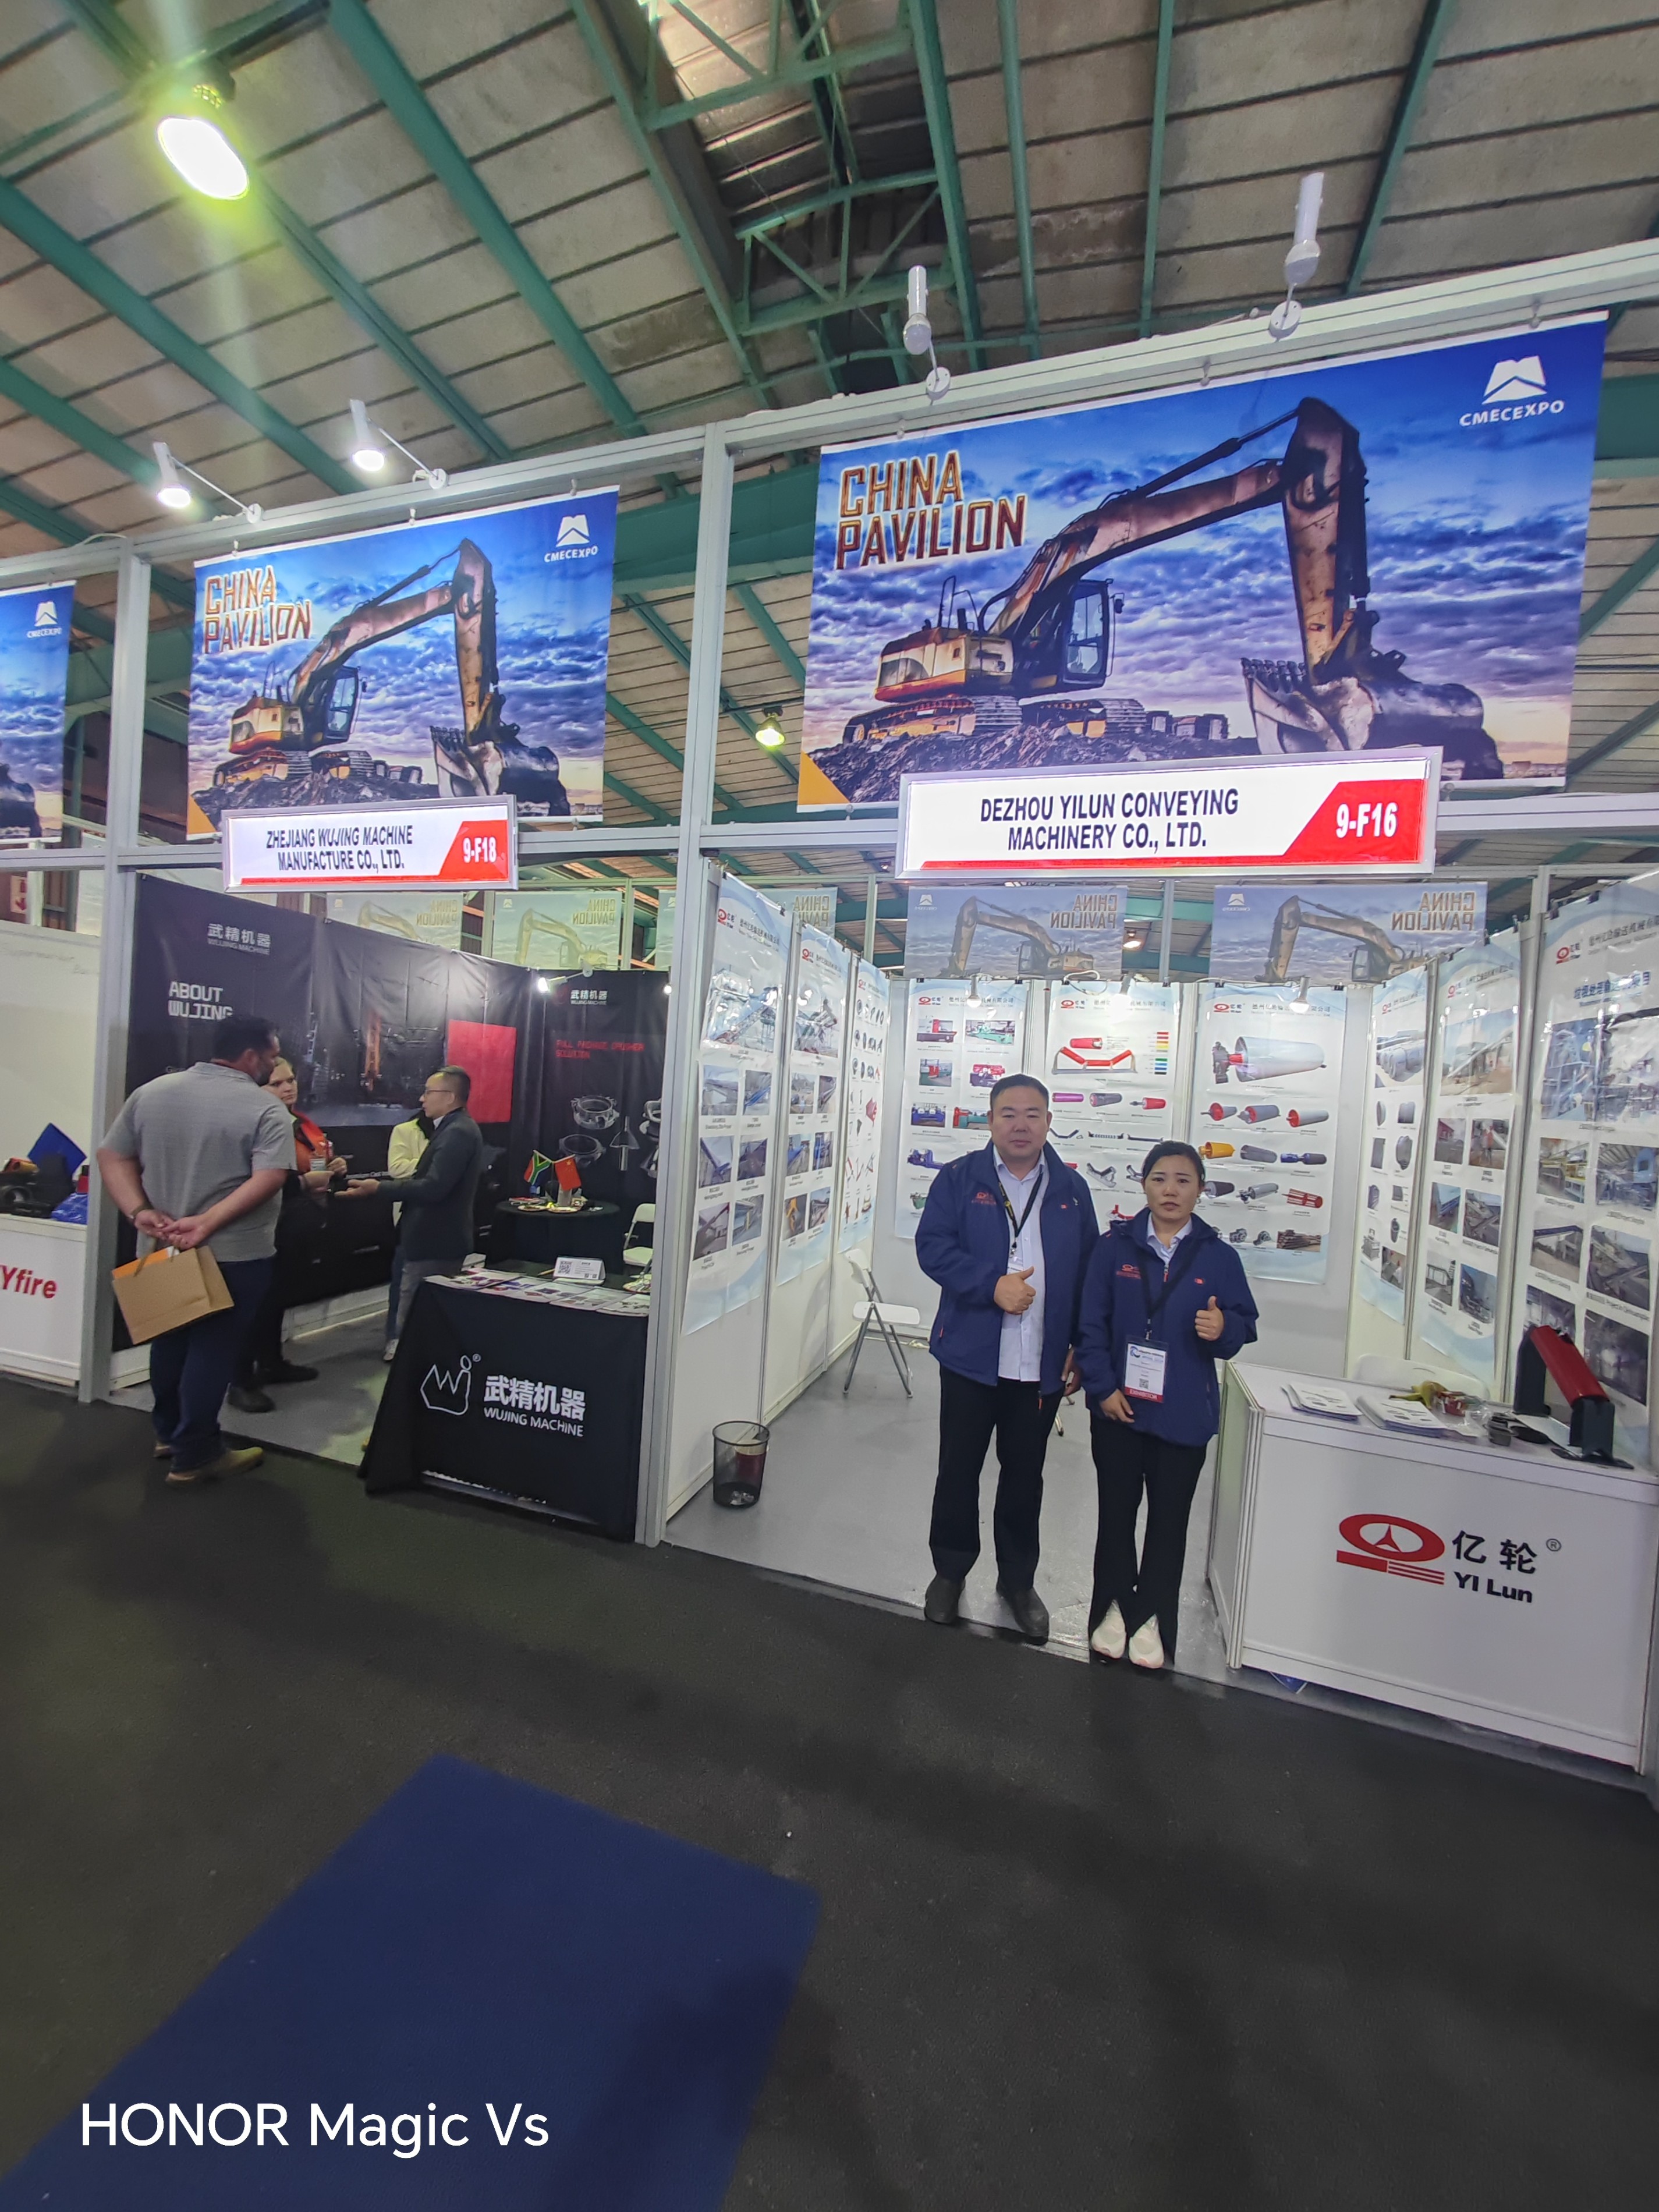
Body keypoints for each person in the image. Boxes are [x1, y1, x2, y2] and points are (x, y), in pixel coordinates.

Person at [914, 1073, 1098, 1644]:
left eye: (1032, 1114)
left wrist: (1081, 1344)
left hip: (1039, 1365)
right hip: (971, 1357)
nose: (1021, 1125)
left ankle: (1018, 1582)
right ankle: (950, 1571)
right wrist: (990, 1284)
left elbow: (1089, 1272)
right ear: (990, 1120)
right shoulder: (959, 1178)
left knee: (1024, 1478)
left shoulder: (1071, 1190)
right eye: (1009, 1113)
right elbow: (933, 1247)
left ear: (1049, 1122)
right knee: (958, 1470)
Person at [1077, 1140, 1259, 1672]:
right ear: (1144, 1185)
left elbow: (1243, 1325)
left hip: (1182, 1415)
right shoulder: (1113, 1249)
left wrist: (1224, 1328)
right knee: (1116, 1516)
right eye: (1160, 1179)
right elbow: (1090, 1325)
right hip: (1119, 1410)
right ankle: (1112, 1609)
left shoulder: (1220, 1258)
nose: (1171, 1190)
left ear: (1201, 1189)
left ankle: (1154, 1617)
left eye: (1183, 1180)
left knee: (1169, 1523)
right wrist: (1102, 1388)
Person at [95, 1013, 295, 1485]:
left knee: (169, 1343)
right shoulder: (266, 1110)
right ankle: (197, 1452)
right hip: (234, 1254)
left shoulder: (152, 1093)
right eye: (271, 1057)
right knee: (213, 1350)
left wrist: (138, 1211)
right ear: (251, 1056)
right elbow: (270, 1178)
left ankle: (170, 1434)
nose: (274, 1066)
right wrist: (208, 1223)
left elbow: (112, 1155)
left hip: (162, 1247)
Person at [229, 1057, 348, 1414]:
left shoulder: (301, 1124)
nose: (288, 1088)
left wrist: (336, 1168)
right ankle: (240, 1380)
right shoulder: (250, 1124)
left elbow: (316, 1161)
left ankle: (271, 1362)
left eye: (291, 1080)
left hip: (297, 1226)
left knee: (276, 1299)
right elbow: (252, 1182)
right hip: (262, 1228)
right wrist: (303, 1183)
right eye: (277, 1083)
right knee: (252, 1305)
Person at [340, 1066, 481, 1346]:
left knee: (415, 1324)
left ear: (450, 1097)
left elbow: (433, 1188)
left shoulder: (458, 1132)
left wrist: (378, 1189)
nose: (422, 1099)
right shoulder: (451, 1129)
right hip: (430, 1239)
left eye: (429, 1092)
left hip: (434, 1242)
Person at [381, 1107, 434, 1360]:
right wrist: (435, 1163)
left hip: (443, 1216)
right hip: (410, 1215)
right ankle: (395, 1337)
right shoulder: (405, 1131)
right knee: (403, 1280)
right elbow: (397, 1168)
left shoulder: (454, 1132)